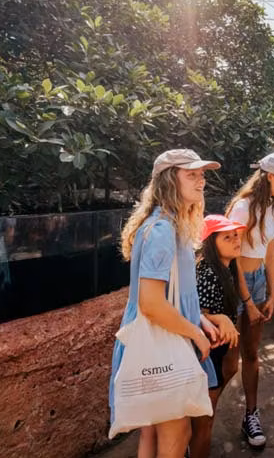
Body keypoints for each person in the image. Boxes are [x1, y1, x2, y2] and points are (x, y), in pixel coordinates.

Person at [109, 149, 222, 458]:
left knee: (152, 435)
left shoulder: (168, 224)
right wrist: (196, 333)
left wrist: (199, 318)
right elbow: (151, 303)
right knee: (177, 434)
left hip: (158, 342)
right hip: (164, 342)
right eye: (191, 175)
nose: (201, 182)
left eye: (201, 175)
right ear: (170, 181)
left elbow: (176, 294)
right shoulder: (162, 231)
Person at [225, 152, 274, 448]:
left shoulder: (271, 208)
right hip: (235, 286)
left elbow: (269, 253)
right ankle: (199, 418)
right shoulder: (242, 208)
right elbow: (230, 257)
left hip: (257, 284)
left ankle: (251, 416)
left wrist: (272, 294)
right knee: (229, 362)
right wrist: (246, 300)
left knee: (252, 353)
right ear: (270, 176)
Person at [189, 214, 245, 458]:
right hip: (205, 355)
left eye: (235, 235)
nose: (235, 240)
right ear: (211, 242)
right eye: (227, 236)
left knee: (206, 417)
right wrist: (220, 320)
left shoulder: (226, 267)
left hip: (218, 351)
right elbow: (198, 315)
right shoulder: (208, 272)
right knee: (204, 425)